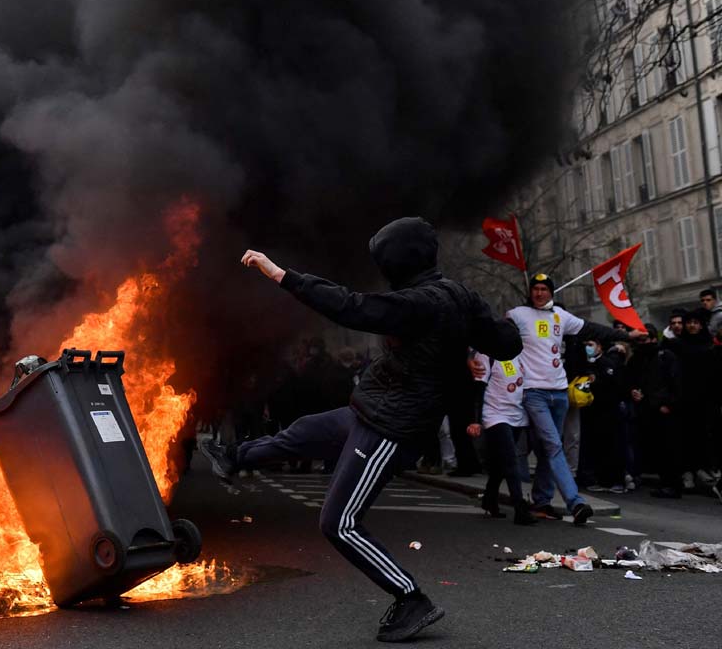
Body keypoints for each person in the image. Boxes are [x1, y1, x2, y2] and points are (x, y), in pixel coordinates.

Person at [198, 217, 521, 643]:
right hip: (371, 407)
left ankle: (411, 598)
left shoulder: (420, 302)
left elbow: (350, 307)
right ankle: (234, 457)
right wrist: (484, 335)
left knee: (339, 522)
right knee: (302, 432)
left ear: (397, 262)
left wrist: (280, 275)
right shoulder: (459, 295)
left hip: (392, 427)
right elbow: (508, 342)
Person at [505, 273, 637, 522]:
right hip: (534, 393)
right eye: (536, 288)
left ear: (551, 292)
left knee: (547, 450)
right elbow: (496, 337)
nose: (540, 293)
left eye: (544, 288)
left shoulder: (560, 316)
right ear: (530, 291)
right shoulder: (517, 315)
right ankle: (575, 502)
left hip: (560, 393)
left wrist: (627, 336)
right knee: (554, 445)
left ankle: (542, 501)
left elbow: (592, 328)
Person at [465, 351, 536, 525]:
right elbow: (478, 390)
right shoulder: (486, 356)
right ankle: (520, 508)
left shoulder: (520, 355)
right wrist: (475, 420)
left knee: (500, 463)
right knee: (510, 460)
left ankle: (489, 499)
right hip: (495, 415)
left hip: (517, 415)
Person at [665, 310, 719, 492]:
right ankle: (687, 472)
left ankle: (704, 469)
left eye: (696, 322)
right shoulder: (676, 345)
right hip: (683, 399)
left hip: (706, 399)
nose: (692, 326)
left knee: (705, 435)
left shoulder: (710, 345)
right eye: (689, 322)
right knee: (685, 436)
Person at [626, 327, 684, 498]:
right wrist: (633, 391)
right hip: (648, 409)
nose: (641, 343)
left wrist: (669, 404)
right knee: (658, 448)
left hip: (664, 409)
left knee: (669, 448)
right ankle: (666, 482)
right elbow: (631, 380)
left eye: (644, 340)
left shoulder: (665, 356)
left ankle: (672, 484)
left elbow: (675, 382)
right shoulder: (637, 358)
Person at [580, 339, 628, 493]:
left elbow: (613, 384)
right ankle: (601, 479)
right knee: (597, 446)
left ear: (600, 347)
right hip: (592, 410)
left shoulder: (607, 363)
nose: (588, 348)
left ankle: (616, 480)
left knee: (612, 445)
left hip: (608, 410)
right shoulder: (586, 363)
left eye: (591, 345)